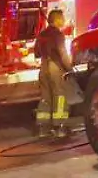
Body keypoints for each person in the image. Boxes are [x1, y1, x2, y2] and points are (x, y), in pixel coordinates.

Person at [33, 9, 72, 139]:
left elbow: (37, 53)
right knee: (60, 97)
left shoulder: (41, 34)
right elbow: (62, 53)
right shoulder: (59, 35)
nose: (64, 20)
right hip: (55, 67)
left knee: (45, 97)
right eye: (62, 18)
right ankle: (59, 127)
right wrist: (69, 68)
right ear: (57, 20)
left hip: (43, 67)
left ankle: (43, 128)